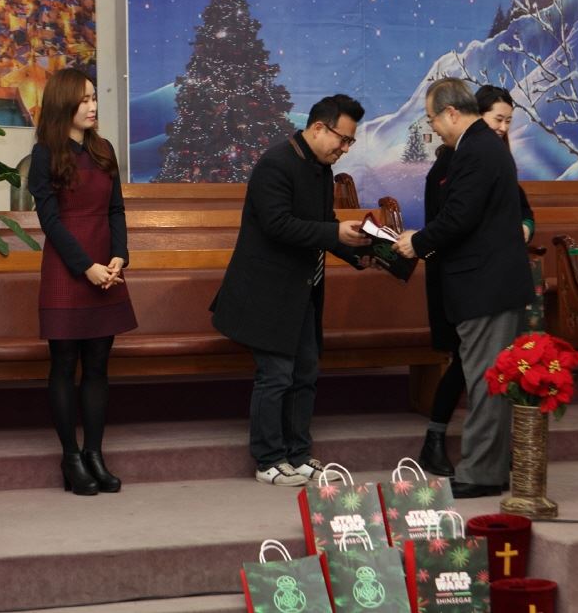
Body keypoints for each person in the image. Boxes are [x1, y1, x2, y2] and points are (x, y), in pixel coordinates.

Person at [211, 94, 369, 486]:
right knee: (276, 376)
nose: (345, 149)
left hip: (302, 290)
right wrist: (335, 232)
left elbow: (324, 223)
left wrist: (360, 254)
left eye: (350, 141)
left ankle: (298, 454)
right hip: (266, 291)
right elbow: (278, 225)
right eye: (343, 139)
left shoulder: (321, 169)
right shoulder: (276, 163)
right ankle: (268, 459)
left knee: (305, 373)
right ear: (318, 128)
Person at [394, 78, 533, 498]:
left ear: (451, 113)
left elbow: (459, 217)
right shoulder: (481, 147)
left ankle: (482, 473)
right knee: (488, 381)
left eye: (432, 118)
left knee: (486, 384)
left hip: (485, 286)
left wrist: (417, 242)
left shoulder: (476, 150)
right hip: (488, 284)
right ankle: (489, 468)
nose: (433, 128)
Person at [29, 68, 138, 496]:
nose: (93, 106)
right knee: (63, 364)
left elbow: (116, 210)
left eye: (94, 98)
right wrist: (85, 267)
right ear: (64, 104)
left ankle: (94, 453)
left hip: (106, 267)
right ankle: (70, 457)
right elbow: (50, 221)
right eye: (85, 99)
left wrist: (118, 257)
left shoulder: (103, 149)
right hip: (67, 267)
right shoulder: (45, 154)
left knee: (97, 366)